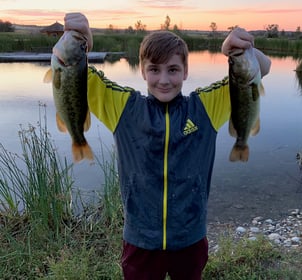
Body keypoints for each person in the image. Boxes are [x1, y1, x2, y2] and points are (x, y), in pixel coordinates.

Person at [64, 12, 271, 280]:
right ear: (142, 70)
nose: (164, 80)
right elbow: (72, 70)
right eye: (154, 69)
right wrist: (83, 41)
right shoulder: (123, 108)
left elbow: (260, 70)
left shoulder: (205, 107)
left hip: (190, 238)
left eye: (173, 70)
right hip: (140, 240)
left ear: (186, 71)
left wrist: (238, 50)